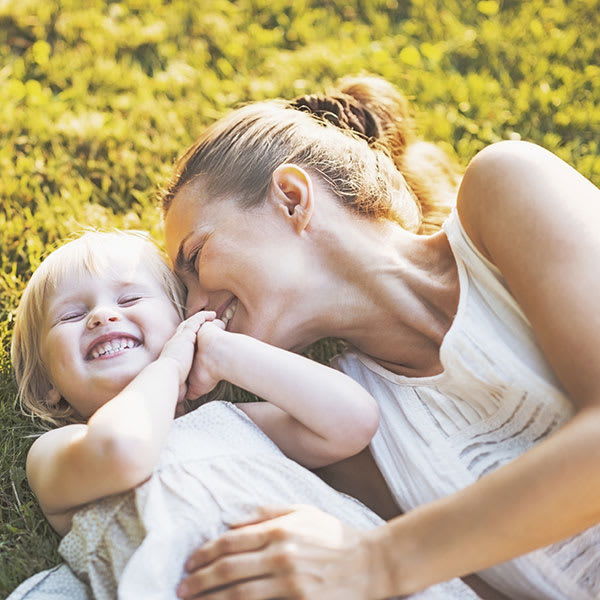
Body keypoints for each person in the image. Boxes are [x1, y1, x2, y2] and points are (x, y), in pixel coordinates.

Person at [160, 75, 600, 600]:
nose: (193, 308)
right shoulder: (348, 436)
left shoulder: (508, 187)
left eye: (196, 258)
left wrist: (379, 560)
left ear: (292, 198)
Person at [8, 230, 478, 599]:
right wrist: (171, 366)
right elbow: (124, 450)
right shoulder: (60, 451)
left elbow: (353, 420)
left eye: (129, 300)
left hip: (329, 574)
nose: (102, 317)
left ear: (181, 323)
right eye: (71, 316)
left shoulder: (233, 421)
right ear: (51, 388)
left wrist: (224, 353)